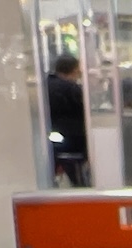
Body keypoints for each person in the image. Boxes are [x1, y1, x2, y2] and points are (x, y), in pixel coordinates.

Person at [46, 54, 88, 186]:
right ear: (75, 70)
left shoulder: (45, 85)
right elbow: (84, 112)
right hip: (73, 141)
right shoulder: (72, 89)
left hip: (51, 139)